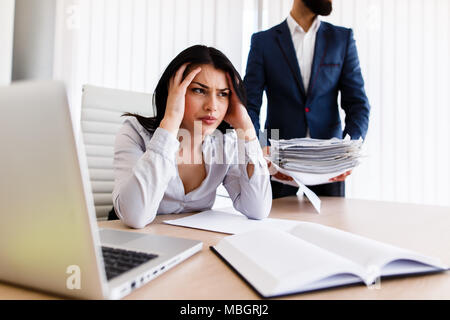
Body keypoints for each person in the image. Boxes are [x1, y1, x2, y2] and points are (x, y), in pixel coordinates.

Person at [109, 45, 272, 229]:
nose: (212, 106)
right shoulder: (134, 133)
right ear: (174, 91)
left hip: (192, 245)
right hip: (132, 244)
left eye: (223, 94)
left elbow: (258, 209)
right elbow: (135, 217)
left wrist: (246, 125)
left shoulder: (226, 144)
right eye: (199, 90)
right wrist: (170, 120)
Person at [244, 0, 370, 199]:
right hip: (278, 163)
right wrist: (261, 149)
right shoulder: (263, 42)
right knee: (277, 225)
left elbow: (358, 104)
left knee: (330, 226)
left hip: (329, 164)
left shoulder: (341, 39)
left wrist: (348, 151)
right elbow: (249, 105)